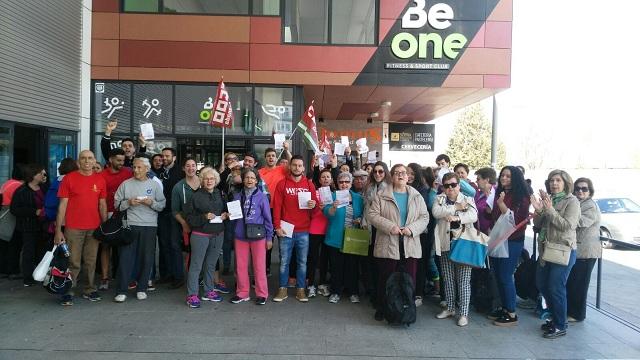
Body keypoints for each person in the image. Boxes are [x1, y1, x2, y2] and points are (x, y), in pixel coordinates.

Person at [367, 164, 429, 321]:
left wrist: (412, 229)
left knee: (409, 278)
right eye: (397, 173)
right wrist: (390, 226)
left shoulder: (416, 196)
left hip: (409, 242)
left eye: (404, 173)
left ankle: (407, 309)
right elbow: (372, 215)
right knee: (385, 277)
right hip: (389, 241)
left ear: (408, 177)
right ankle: (383, 307)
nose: (401, 175)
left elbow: (424, 217)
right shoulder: (381, 195)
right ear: (392, 176)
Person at [54, 150, 108, 306]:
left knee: (91, 261)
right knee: (73, 261)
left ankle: (90, 289)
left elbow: (102, 204)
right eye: (83, 158)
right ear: (78, 162)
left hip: (94, 227)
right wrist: (58, 230)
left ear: (94, 161)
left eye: (90, 158)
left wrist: (104, 227)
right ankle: (68, 291)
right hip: (73, 227)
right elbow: (62, 206)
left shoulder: (100, 179)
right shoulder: (69, 179)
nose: (87, 161)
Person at [531, 170, 580, 339]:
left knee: (555, 287)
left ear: (566, 183)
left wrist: (549, 209)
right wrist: (538, 210)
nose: (554, 183)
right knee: (542, 284)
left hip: (563, 251)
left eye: (558, 180)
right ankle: (554, 318)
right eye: (552, 180)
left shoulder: (572, 202)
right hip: (546, 250)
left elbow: (567, 226)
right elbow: (538, 225)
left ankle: (560, 324)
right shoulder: (549, 200)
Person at [113, 158, 165, 302]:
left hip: (149, 226)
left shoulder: (155, 185)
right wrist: (128, 202)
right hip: (130, 225)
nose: (136, 170)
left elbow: (162, 205)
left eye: (139, 168)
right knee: (125, 258)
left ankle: (142, 288)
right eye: (134, 167)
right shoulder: (125, 184)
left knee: (147, 258)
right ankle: (122, 290)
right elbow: (116, 205)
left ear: (147, 169)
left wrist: (151, 203)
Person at [432, 172, 478, 327]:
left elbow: (473, 215)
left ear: (459, 185)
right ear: (443, 187)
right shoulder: (439, 199)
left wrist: (458, 217)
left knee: (464, 280)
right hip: (445, 244)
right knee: (448, 277)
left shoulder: (468, 199)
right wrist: (456, 208)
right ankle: (450, 308)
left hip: (463, 243)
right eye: (447, 185)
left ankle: (464, 313)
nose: (450, 188)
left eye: (453, 185)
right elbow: (436, 213)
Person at [488, 166, 531, 326]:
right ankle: (505, 308)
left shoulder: (522, 197)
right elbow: (494, 216)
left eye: (508, 176)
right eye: (502, 175)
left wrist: (501, 204)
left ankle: (511, 313)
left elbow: (516, 221)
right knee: (499, 275)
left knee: (506, 276)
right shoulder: (501, 193)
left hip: (512, 241)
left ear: (516, 178)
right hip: (499, 239)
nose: (504, 178)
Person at [272, 155, 317, 303]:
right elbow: (277, 207)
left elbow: (315, 210)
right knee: (284, 261)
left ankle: (300, 290)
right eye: (294, 165)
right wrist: (277, 226)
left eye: (300, 165)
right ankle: (282, 289)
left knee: (302, 262)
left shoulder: (309, 185)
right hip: (286, 230)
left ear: (303, 168)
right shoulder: (282, 184)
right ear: (290, 167)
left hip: (303, 230)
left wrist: (314, 205)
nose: (297, 168)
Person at [183, 167, 228, 308]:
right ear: (202, 180)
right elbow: (189, 218)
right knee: (196, 265)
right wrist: (204, 217)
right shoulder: (195, 196)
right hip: (200, 235)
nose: (209, 181)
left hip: (218, 233)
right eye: (206, 178)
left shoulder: (220, 194)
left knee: (210, 264)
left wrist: (226, 215)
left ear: (216, 180)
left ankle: (209, 291)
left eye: (212, 178)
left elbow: (225, 211)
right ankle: (192, 295)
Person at [231, 168, 273, 305]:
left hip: (258, 236)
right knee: (241, 266)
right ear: (243, 179)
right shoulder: (237, 195)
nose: (249, 180)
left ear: (257, 181)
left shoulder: (262, 196)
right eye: (247, 177)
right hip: (240, 235)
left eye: (252, 178)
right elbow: (234, 217)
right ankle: (242, 293)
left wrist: (269, 238)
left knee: (259, 266)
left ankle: (262, 293)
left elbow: (268, 219)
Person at [323, 172, 364, 304]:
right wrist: (333, 208)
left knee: (352, 266)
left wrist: (360, 219)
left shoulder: (358, 198)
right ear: (337, 184)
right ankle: (335, 292)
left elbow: (365, 215)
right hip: (336, 237)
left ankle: (353, 292)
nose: (344, 184)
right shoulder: (332, 196)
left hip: (353, 237)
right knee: (336, 267)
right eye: (341, 182)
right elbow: (327, 213)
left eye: (347, 182)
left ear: (351, 184)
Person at [566, 177, 600, 322]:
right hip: (576, 250)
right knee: (572, 283)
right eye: (577, 188)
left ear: (590, 191)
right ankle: (571, 311)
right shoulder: (577, 203)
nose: (580, 191)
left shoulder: (590, 205)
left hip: (586, 252)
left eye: (584, 189)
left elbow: (581, 222)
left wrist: (565, 216)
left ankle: (577, 314)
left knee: (580, 285)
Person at [98, 148, 132, 290]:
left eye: (123, 160)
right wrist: (104, 217)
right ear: (110, 159)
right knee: (105, 246)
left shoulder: (128, 172)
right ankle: (105, 278)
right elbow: (100, 199)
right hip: (107, 212)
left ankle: (124, 277)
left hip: (125, 213)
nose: (121, 163)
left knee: (124, 246)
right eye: (118, 160)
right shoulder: (101, 175)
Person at [10, 164, 47, 286]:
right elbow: (14, 209)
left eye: (44, 173)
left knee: (42, 251)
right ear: (32, 176)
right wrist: (33, 212)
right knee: (29, 252)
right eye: (40, 173)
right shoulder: (22, 191)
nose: (43, 175)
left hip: (43, 225)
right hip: (28, 226)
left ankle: (40, 275)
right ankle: (28, 278)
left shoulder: (44, 188)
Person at [258, 145, 291, 276]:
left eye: (273, 155)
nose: (271, 158)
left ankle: (286, 274)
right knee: (267, 242)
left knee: (285, 242)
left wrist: (287, 149)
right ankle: (265, 271)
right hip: (265, 211)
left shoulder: (282, 169)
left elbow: (293, 161)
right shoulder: (259, 172)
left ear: (276, 158)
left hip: (282, 211)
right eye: (269, 156)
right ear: (265, 158)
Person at [361, 161, 391, 306]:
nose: (378, 174)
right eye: (375, 172)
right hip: (368, 228)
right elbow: (365, 207)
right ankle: (372, 291)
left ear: (385, 173)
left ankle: (381, 295)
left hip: (383, 229)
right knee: (370, 262)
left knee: (381, 263)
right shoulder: (369, 187)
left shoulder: (390, 189)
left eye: (381, 171)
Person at [157, 147, 184, 289]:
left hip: (174, 214)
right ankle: (165, 275)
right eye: (163, 156)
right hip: (161, 213)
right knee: (163, 245)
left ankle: (178, 276)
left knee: (174, 245)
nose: (164, 158)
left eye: (167, 156)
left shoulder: (180, 172)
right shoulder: (159, 172)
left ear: (174, 157)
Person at [406, 163, 430, 306]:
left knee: (419, 263)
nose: (408, 176)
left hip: (420, 232)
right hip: (405, 232)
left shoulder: (423, 190)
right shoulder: (402, 189)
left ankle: (418, 293)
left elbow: (423, 213)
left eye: (412, 174)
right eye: (406, 173)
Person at [171, 158, 200, 272]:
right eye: (188, 166)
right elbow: (175, 210)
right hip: (187, 225)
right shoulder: (178, 187)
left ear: (196, 167)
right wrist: (183, 224)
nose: (191, 168)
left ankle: (203, 277)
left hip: (203, 225)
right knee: (190, 251)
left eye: (193, 165)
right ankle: (192, 277)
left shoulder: (204, 182)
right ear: (183, 168)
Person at [308, 168, 332, 297]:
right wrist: (316, 207)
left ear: (332, 179)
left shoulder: (336, 194)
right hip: (315, 229)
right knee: (312, 258)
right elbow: (308, 212)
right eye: (323, 177)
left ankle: (322, 284)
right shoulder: (314, 193)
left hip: (329, 230)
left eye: (328, 176)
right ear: (319, 179)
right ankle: (311, 284)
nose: (326, 179)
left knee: (325, 259)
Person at [0, 165, 25, 279]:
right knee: (14, 244)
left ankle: (3, 269)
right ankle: (13, 270)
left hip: (3, 215)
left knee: (4, 244)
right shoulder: (19, 186)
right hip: (12, 217)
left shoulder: (7, 183)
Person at [473, 167, 497, 235]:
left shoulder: (496, 193)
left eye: (478, 179)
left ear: (486, 180)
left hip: (490, 234)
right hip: (477, 233)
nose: (476, 181)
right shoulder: (478, 193)